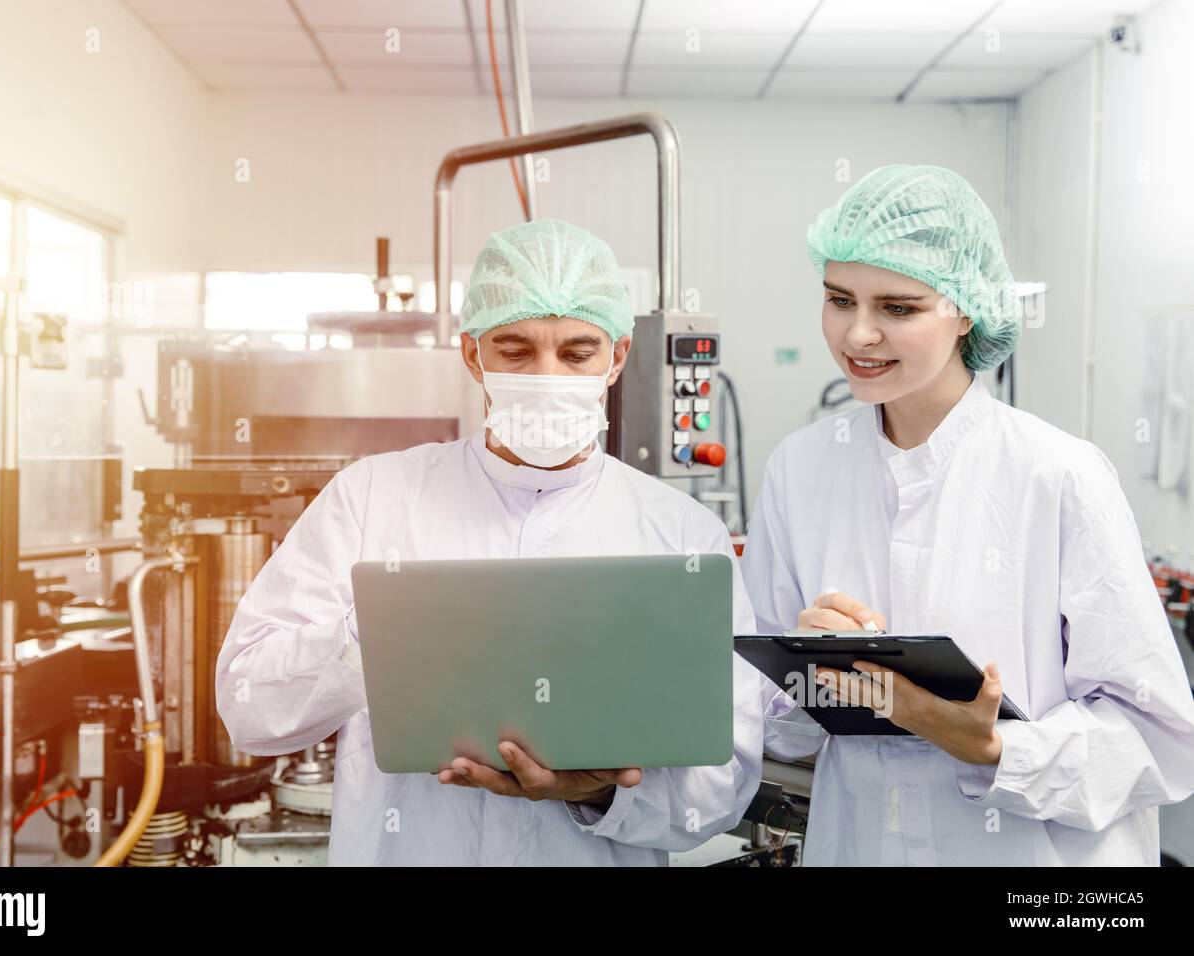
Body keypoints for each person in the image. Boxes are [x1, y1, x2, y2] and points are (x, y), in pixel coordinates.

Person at [216, 218, 793, 866]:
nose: (547, 375)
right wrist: (365, 636)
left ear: (618, 357)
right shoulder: (374, 498)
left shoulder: (682, 533)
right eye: (515, 351)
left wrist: (599, 792)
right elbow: (250, 709)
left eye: (577, 353)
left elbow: (721, 784)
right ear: (472, 355)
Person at [742, 164, 1194, 866]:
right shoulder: (799, 470)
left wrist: (991, 748)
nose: (858, 334)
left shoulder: (1058, 474)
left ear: (967, 308)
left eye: (898, 307)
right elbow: (780, 727)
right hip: (859, 845)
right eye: (839, 299)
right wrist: (806, 670)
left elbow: (1159, 738)